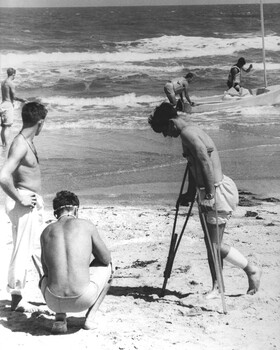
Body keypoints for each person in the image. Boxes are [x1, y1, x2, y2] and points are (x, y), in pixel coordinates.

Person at [148, 102, 261, 299]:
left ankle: (251, 269)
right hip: (207, 191)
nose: (166, 136)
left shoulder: (188, 134)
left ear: (171, 122)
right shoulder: (189, 132)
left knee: (215, 245)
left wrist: (209, 194)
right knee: (211, 244)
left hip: (216, 192)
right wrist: (190, 193)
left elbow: (205, 163)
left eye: (164, 130)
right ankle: (217, 286)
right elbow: (193, 167)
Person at [40, 190, 113, 334]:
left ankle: (60, 319)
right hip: (82, 300)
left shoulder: (46, 232)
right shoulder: (86, 225)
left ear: (56, 213)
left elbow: (46, 272)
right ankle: (89, 319)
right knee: (110, 266)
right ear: (75, 209)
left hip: (53, 301)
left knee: (46, 271)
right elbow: (105, 259)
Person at [0, 102, 48, 312]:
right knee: (23, 249)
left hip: (29, 200)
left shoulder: (26, 141)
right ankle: (17, 296)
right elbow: (3, 176)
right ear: (40, 122)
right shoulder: (20, 144)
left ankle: (29, 292)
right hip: (24, 201)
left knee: (33, 247)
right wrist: (20, 198)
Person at [1, 68, 27, 147]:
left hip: (2, 104)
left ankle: (3, 145)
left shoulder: (3, 82)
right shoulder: (11, 83)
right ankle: (6, 145)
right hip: (8, 105)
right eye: (15, 74)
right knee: (7, 127)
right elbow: (14, 97)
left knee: (3, 127)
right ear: (13, 74)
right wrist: (22, 100)